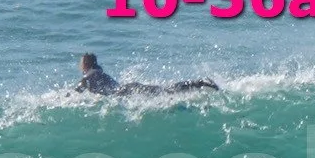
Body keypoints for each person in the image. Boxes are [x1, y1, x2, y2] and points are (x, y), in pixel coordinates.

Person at [77, 53, 219, 96]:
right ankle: (198, 83)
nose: (79, 65)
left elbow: (78, 89)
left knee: (167, 91)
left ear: (85, 65)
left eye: (81, 63)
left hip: (127, 90)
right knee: (166, 91)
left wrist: (68, 96)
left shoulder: (90, 74)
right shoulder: (97, 72)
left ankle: (200, 83)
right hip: (128, 89)